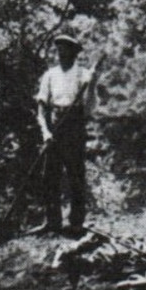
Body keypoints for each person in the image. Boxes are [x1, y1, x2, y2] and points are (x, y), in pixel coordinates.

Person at [34, 33, 98, 236]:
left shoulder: (84, 75)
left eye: (65, 50)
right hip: (54, 126)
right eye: (58, 50)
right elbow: (41, 109)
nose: (61, 53)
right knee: (49, 176)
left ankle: (76, 222)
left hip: (74, 126)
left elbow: (88, 109)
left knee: (76, 175)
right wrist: (45, 132)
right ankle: (52, 222)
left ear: (74, 53)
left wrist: (93, 83)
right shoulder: (49, 75)